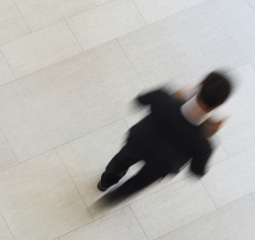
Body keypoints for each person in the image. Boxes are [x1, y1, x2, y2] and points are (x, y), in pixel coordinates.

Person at [97, 71, 233, 204]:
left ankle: (105, 182)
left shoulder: (162, 97)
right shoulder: (203, 146)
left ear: (201, 84)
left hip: (139, 141)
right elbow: (196, 171)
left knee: (121, 161)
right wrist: (207, 133)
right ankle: (113, 197)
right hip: (161, 165)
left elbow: (140, 101)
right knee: (138, 182)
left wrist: (175, 96)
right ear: (218, 105)